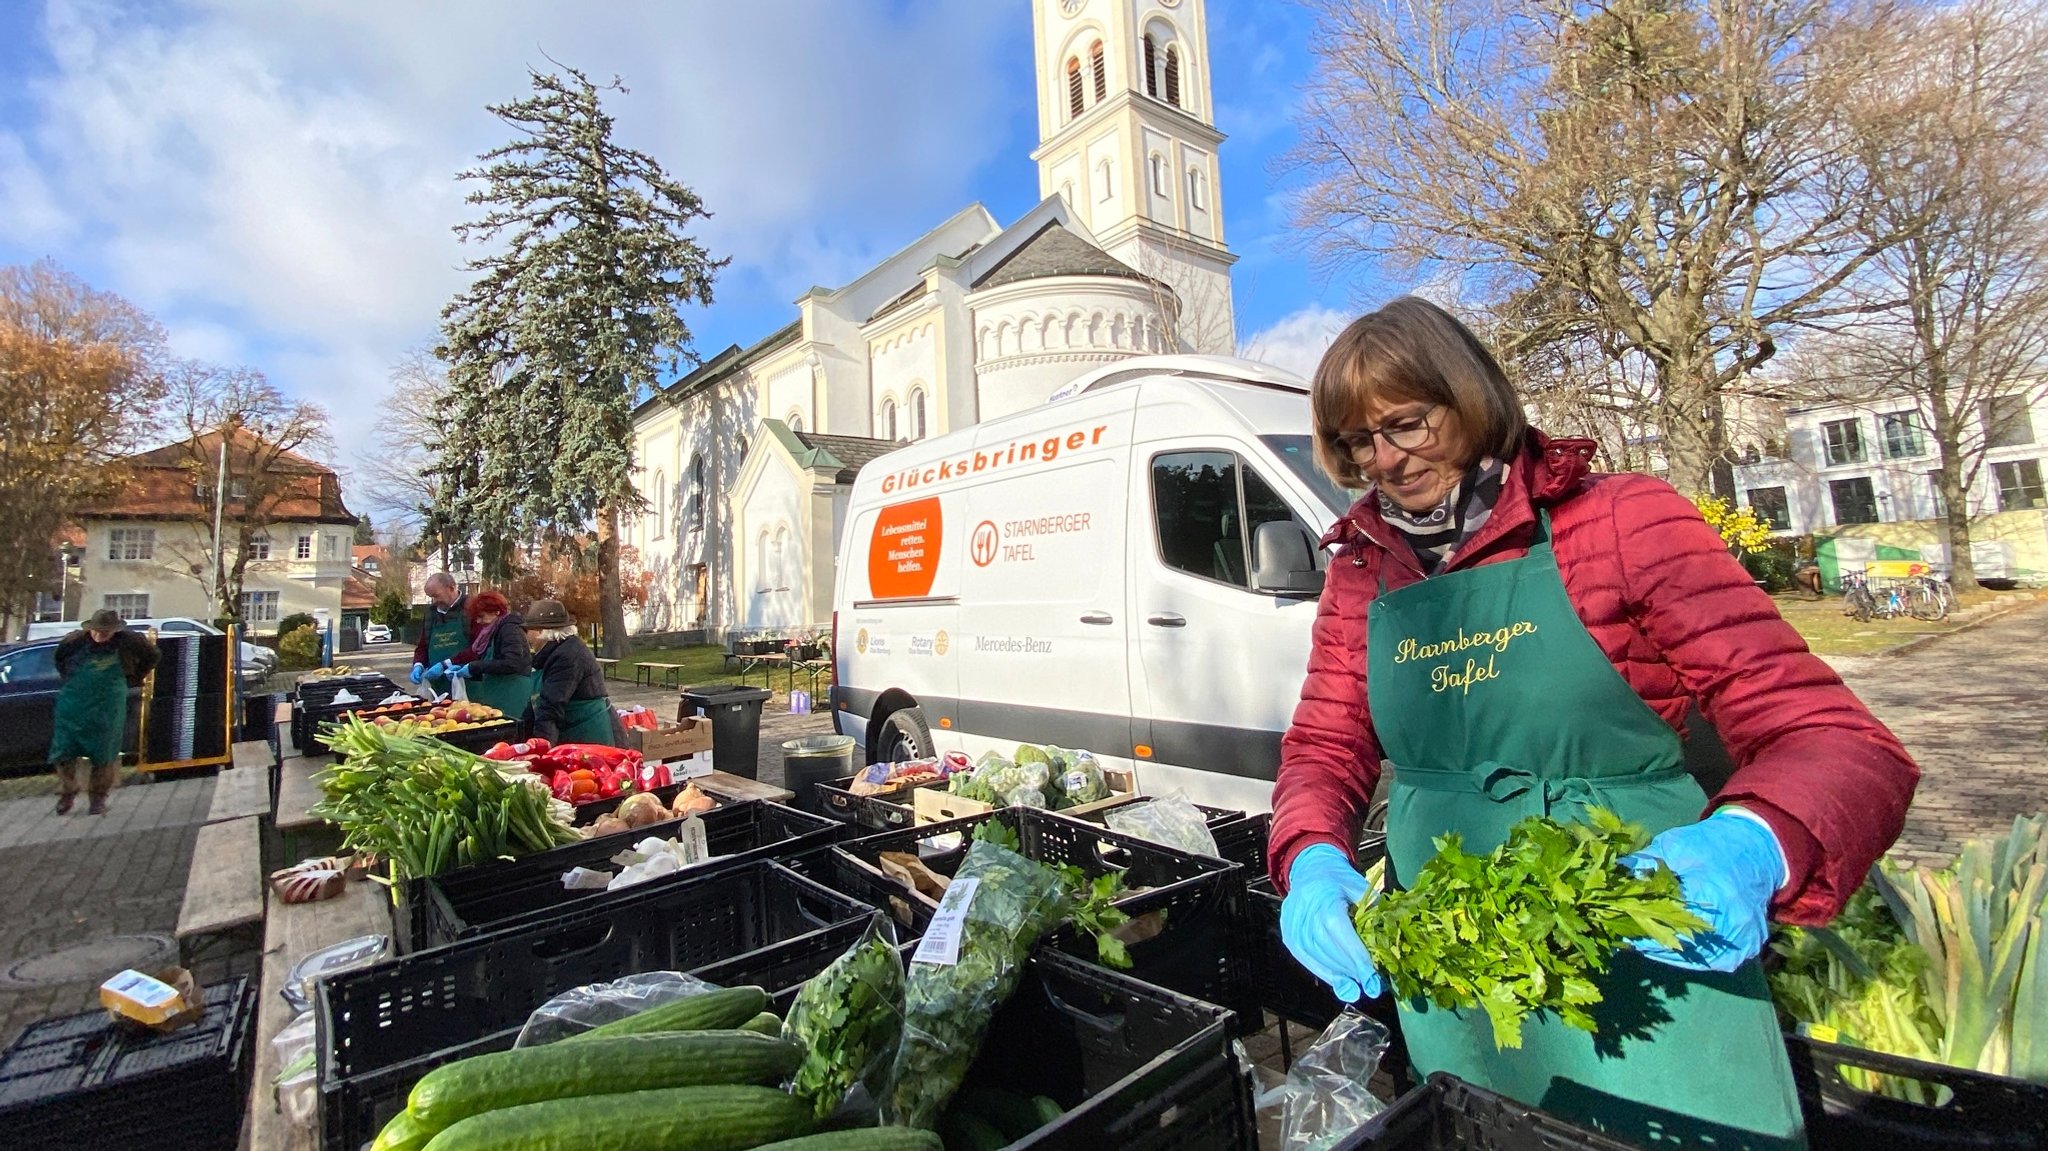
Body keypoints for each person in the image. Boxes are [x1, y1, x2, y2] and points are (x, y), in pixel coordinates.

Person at [1268, 298, 1919, 1150]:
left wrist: (1759, 837)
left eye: (1406, 425)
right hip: (1460, 970)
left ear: (1468, 399)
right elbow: (1324, 745)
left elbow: (1835, 739)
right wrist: (1311, 855)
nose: (1384, 461)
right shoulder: (1363, 570)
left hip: (1639, 937)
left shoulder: (1620, 522)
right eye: (1356, 442)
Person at [48, 609, 160, 815]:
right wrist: (71, 679)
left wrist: (133, 678)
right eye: (98, 631)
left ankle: (98, 798)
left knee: (104, 753)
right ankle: (68, 792)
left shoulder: (129, 642)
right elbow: (59, 661)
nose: (101, 636)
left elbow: (152, 656)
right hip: (73, 704)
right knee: (63, 751)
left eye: (106, 632)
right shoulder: (73, 642)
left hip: (108, 704)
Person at [520, 599, 624, 745]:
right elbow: (539, 704)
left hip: (589, 734)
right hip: (574, 730)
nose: (526, 636)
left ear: (540, 631)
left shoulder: (567, 656)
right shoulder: (554, 652)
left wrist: (541, 748)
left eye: (527, 630)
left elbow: (551, 707)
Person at [441, 590, 533, 718]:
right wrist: (466, 672)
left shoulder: (510, 629)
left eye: (481, 616)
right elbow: (491, 665)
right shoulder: (492, 631)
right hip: (497, 692)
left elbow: (513, 663)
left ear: (497, 612)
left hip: (512, 693)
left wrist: (473, 667)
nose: (478, 621)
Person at [411, 573, 468, 697]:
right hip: (438, 687)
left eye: (436, 596)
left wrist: (447, 664)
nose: (434, 601)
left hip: (467, 685)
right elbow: (423, 646)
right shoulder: (431, 614)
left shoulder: (470, 609)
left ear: (451, 588)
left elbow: (478, 648)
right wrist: (418, 664)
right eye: (431, 597)